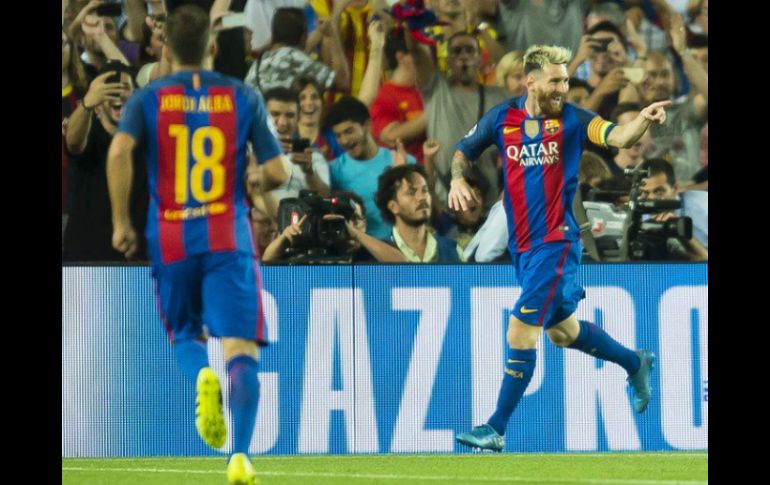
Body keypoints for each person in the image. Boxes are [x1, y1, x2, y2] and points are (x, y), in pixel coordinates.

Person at [450, 44, 669, 451]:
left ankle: (495, 428)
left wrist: (641, 119)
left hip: (556, 243)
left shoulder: (573, 119)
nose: (563, 88)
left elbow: (618, 136)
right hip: (523, 249)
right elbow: (463, 151)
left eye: (566, 80)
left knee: (520, 330)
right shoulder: (502, 118)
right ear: (530, 81)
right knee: (563, 334)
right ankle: (635, 363)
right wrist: (456, 179)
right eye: (555, 81)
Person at [106, 5, 286, 483]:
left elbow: (119, 150)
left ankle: (201, 375)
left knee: (185, 334)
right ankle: (240, 456)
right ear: (213, 46)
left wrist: (121, 220)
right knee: (241, 347)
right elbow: (278, 170)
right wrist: (256, 176)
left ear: (166, 50)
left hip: (171, 233)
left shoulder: (149, 97)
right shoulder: (242, 95)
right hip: (227, 233)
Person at [325, 96, 416, 239]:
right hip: (358, 248)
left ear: (366, 125)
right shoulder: (333, 170)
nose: (344, 141)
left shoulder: (402, 161)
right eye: (338, 135)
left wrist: (401, 174)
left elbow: (420, 211)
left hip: (401, 247)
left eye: (349, 131)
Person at [375, 164, 463, 262]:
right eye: (411, 192)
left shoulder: (453, 250)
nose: (422, 197)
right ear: (393, 207)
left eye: (425, 190)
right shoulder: (378, 255)